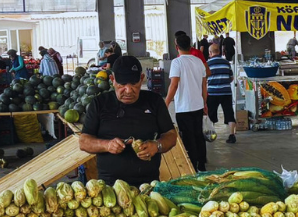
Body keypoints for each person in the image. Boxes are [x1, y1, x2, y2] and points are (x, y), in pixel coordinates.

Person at [78, 56, 178, 187]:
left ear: (141, 79)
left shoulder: (154, 101)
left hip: (148, 184)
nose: (129, 90)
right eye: (122, 85)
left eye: (134, 84)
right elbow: (84, 142)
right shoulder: (100, 103)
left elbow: (171, 135)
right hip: (109, 186)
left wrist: (157, 146)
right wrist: (107, 145)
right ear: (112, 80)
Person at [165, 33, 208, 172]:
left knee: (188, 137)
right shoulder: (198, 61)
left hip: (184, 107)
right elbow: (204, 85)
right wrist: (205, 103)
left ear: (176, 46)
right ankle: (201, 164)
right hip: (198, 105)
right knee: (198, 135)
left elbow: (174, 85)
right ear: (190, 46)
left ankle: (193, 167)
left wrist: (165, 103)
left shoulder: (177, 62)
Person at [205, 43, 236, 145]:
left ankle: (210, 134)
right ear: (219, 52)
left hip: (213, 93)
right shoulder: (226, 63)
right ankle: (232, 136)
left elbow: (204, 79)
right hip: (226, 92)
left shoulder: (207, 64)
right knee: (229, 113)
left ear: (210, 53)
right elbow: (231, 78)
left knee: (211, 113)